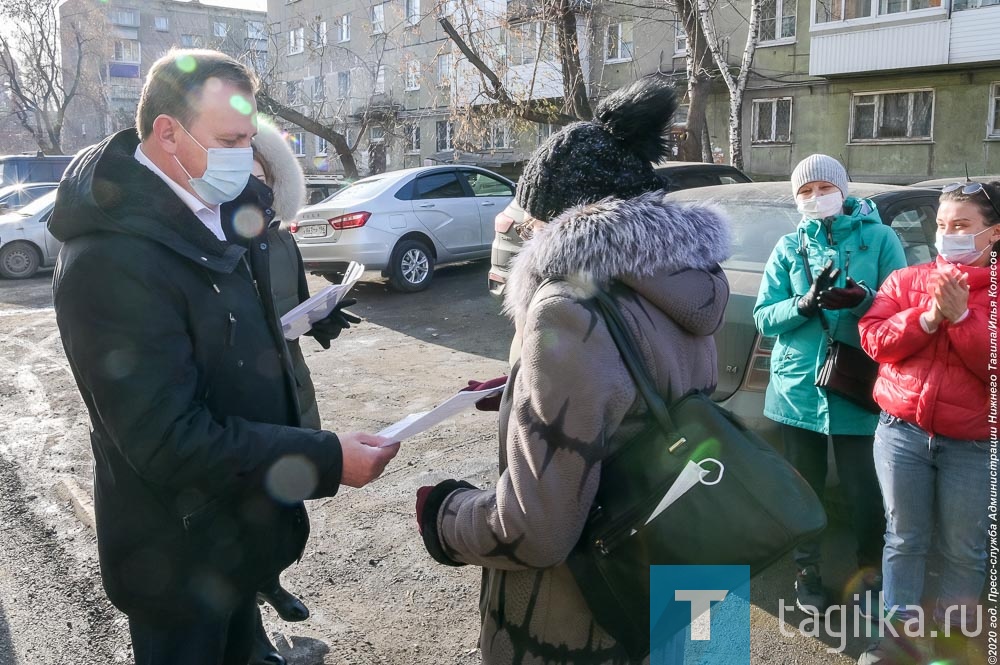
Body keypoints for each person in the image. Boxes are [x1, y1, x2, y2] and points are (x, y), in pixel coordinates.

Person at [48, 49, 399, 665]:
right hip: (175, 560)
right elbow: (168, 441)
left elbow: (243, 348)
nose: (245, 155)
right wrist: (323, 458)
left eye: (250, 137)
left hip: (238, 534)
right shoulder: (110, 262)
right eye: (231, 139)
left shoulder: (216, 216)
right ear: (167, 133)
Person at [414, 77, 732, 663]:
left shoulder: (566, 308)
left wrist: (445, 515)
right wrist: (523, 391)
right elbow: (637, 392)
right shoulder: (687, 284)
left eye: (533, 223)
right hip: (684, 563)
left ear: (559, 223)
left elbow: (538, 531)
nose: (526, 233)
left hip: (586, 616)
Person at [753, 154, 906, 616]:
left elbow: (899, 311)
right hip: (798, 391)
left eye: (824, 188)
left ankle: (870, 568)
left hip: (857, 389)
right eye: (805, 191)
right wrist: (802, 304)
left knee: (864, 492)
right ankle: (807, 570)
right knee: (805, 489)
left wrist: (863, 301)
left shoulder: (880, 239)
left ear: (842, 190)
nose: (815, 197)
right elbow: (764, 315)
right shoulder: (788, 247)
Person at [856, 182, 999, 665]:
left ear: (993, 232)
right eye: (941, 225)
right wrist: (928, 318)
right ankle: (898, 643)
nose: (948, 235)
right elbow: (874, 339)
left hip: (974, 446)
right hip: (902, 434)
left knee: (963, 550)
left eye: (962, 226)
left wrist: (961, 321)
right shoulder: (907, 280)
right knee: (903, 539)